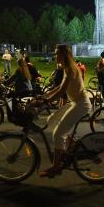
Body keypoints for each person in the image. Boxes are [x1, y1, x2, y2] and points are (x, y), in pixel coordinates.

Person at [38, 44, 92, 177]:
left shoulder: (70, 70)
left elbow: (61, 91)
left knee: (57, 134)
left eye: (57, 54)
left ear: (64, 55)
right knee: (51, 120)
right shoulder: (67, 68)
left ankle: (56, 167)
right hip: (75, 102)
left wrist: (46, 101)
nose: (55, 56)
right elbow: (59, 87)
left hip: (81, 104)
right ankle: (71, 145)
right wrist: (44, 96)